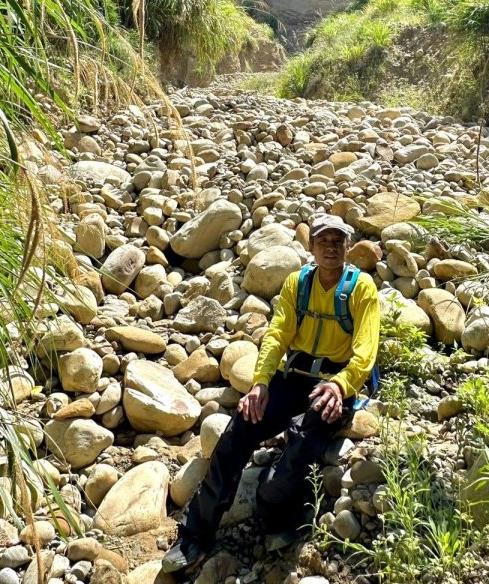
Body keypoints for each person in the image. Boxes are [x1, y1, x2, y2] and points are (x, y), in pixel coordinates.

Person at [162, 213, 380, 575]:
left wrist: (341, 386)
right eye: (323, 240)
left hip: (334, 383)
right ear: (311, 246)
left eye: (338, 241)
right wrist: (260, 383)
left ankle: (280, 521)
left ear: (347, 247)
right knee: (237, 432)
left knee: (298, 446)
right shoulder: (298, 284)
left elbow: (366, 350)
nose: (330, 247)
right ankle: (195, 533)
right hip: (292, 377)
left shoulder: (361, 289)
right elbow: (277, 335)